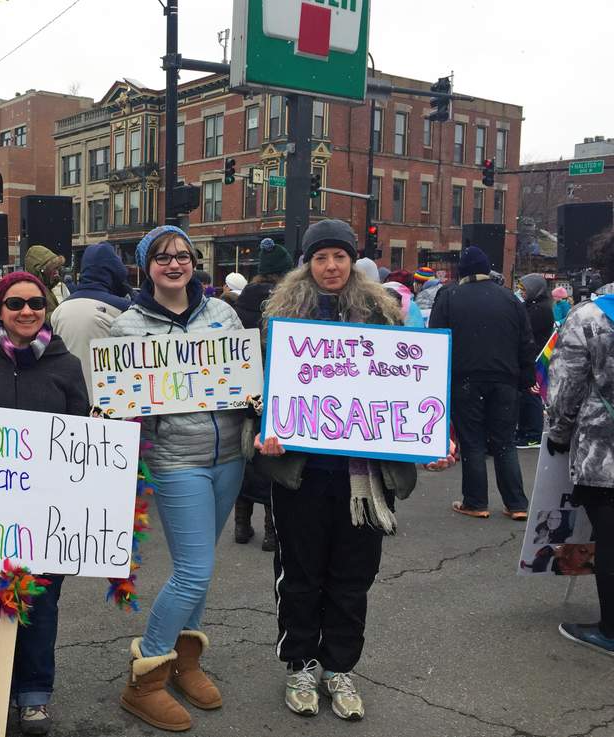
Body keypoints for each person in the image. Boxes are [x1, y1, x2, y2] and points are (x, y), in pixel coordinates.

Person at [254, 219, 455, 722]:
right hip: (301, 472)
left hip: (364, 480)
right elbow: (256, 394)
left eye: (339, 257)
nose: (330, 267)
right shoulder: (280, 320)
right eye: (320, 257)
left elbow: (414, 389)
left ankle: (340, 667)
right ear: (307, 263)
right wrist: (263, 431)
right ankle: (301, 663)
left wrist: (433, 437)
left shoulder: (386, 318)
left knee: (352, 578)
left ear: (352, 261)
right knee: (299, 576)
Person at [0, 271, 90, 736]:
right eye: (15, 304)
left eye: (36, 303)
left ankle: (34, 697)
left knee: (42, 604)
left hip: (49, 510)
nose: (27, 311)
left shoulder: (66, 364)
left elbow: (82, 428)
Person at [113, 225, 245, 733]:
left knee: (203, 568)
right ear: (147, 268)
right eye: (162, 257)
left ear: (194, 262)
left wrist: (253, 401)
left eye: (183, 255)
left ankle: (185, 662)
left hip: (229, 455)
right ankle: (145, 676)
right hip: (175, 459)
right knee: (193, 569)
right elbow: (120, 397)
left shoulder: (222, 313)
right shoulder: (128, 326)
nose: (174, 264)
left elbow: (243, 375)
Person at [429, 245, 536, 520]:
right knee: (504, 442)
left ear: (462, 272)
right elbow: (526, 343)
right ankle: (517, 503)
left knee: (473, 441)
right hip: (505, 381)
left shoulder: (450, 296)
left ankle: (476, 502)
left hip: (465, 379)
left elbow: (436, 340)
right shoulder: (510, 299)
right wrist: (526, 380)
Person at [548, 230, 614, 655]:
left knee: (609, 536)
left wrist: (558, 431)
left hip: (603, 450)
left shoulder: (590, 317)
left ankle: (609, 630)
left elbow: (566, 389)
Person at [232, 236, 294, 552]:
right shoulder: (289, 305)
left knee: (245, 461)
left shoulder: (238, 306)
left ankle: (242, 525)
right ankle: (272, 531)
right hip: (279, 396)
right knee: (273, 463)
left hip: (243, 396)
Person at [50, 241, 131, 387]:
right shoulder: (123, 309)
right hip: (107, 397)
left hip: (67, 394)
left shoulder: (60, 309)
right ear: (115, 271)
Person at [515, 273, 554, 449]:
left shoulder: (541, 309)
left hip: (535, 357)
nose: (521, 292)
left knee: (531, 395)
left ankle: (533, 433)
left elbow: (526, 330)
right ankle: (525, 429)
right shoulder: (533, 306)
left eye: (523, 289)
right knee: (526, 395)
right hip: (530, 356)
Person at [23, 244, 66, 320]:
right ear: (39, 270)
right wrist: (63, 314)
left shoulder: (46, 288)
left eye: (57, 268)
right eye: (53, 268)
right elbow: (38, 319)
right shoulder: (34, 291)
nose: (56, 272)